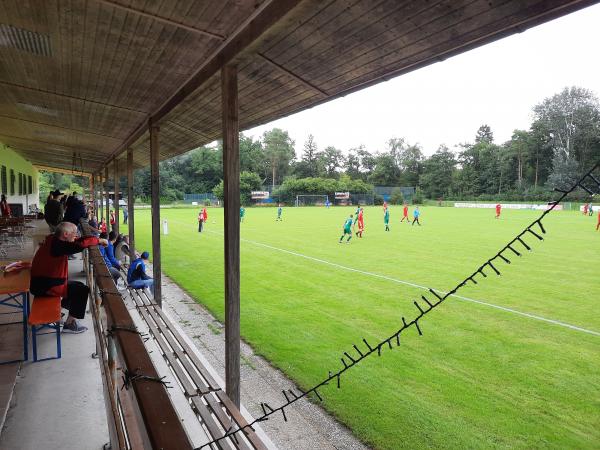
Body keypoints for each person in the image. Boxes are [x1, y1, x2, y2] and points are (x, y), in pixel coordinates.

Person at [30, 222, 107, 333]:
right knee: (82, 290)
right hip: (45, 287)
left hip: (42, 284)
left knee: (78, 286)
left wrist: (94, 239)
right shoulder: (57, 246)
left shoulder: (54, 240)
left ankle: (58, 312)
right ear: (66, 234)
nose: (76, 236)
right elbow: (78, 245)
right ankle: (70, 324)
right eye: (74, 233)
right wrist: (98, 241)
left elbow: (77, 241)